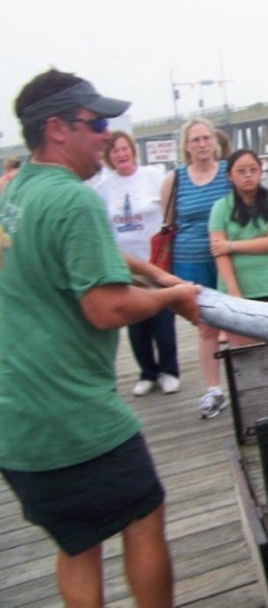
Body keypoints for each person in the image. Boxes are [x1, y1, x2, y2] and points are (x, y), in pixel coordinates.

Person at [0, 68, 201, 607]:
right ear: (58, 129)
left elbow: (81, 257)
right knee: (144, 514)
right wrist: (172, 298)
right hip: (70, 417)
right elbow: (106, 307)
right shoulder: (75, 200)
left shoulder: (18, 190)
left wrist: (151, 273)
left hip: (17, 422)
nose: (109, 136)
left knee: (78, 543)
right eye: (97, 124)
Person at [95, 131, 181, 396]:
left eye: (124, 148)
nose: (121, 154)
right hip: (124, 266)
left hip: (155, 260)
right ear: (109, 157)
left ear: (132, 150)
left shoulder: (153, 176)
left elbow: (170, 208)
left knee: (162, 319)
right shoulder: (102, 188)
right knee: (135, 322)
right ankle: (147, 372)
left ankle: (169, 371)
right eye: (114, 151)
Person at [160, 116, 231, 419]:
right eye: (195, 140)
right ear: (186, 147)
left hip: (227, 259)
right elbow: (167, 222)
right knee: (206, 328)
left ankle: (248, 385)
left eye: (206, 138)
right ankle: (214, 390)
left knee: (242, 325)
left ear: (214, 142)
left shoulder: (229, 172)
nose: (202, 145)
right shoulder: (174, 179)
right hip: (189, 261)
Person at [208, 149, 268, 346]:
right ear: (229, 176)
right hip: (239, 291)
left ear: (261, 171)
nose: (248, 175)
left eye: (253, 169)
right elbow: (219, 252)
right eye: (241, 171)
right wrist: (234, 291)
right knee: (244, 352)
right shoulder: (220, 207)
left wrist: (230, 245)